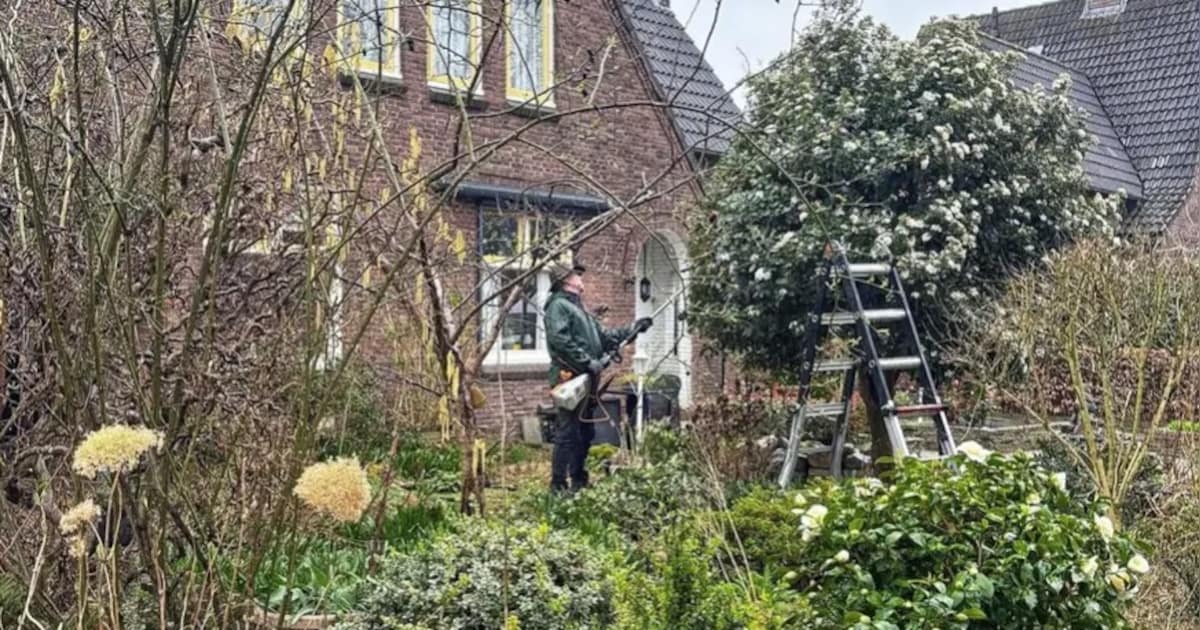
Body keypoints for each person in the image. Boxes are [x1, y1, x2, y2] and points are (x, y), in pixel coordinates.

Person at [545, 260, 652, 493]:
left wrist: (633, 329)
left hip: (587, 379)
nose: (580, 278)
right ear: (566, 281)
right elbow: (560, 341)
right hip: (569, 378)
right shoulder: (558, 307)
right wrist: (588, 362)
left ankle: (578, 479)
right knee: (567, 431)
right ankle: (558, 485)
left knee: (585, 431)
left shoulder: (579, 309)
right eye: (576, 275)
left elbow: (606, 338)